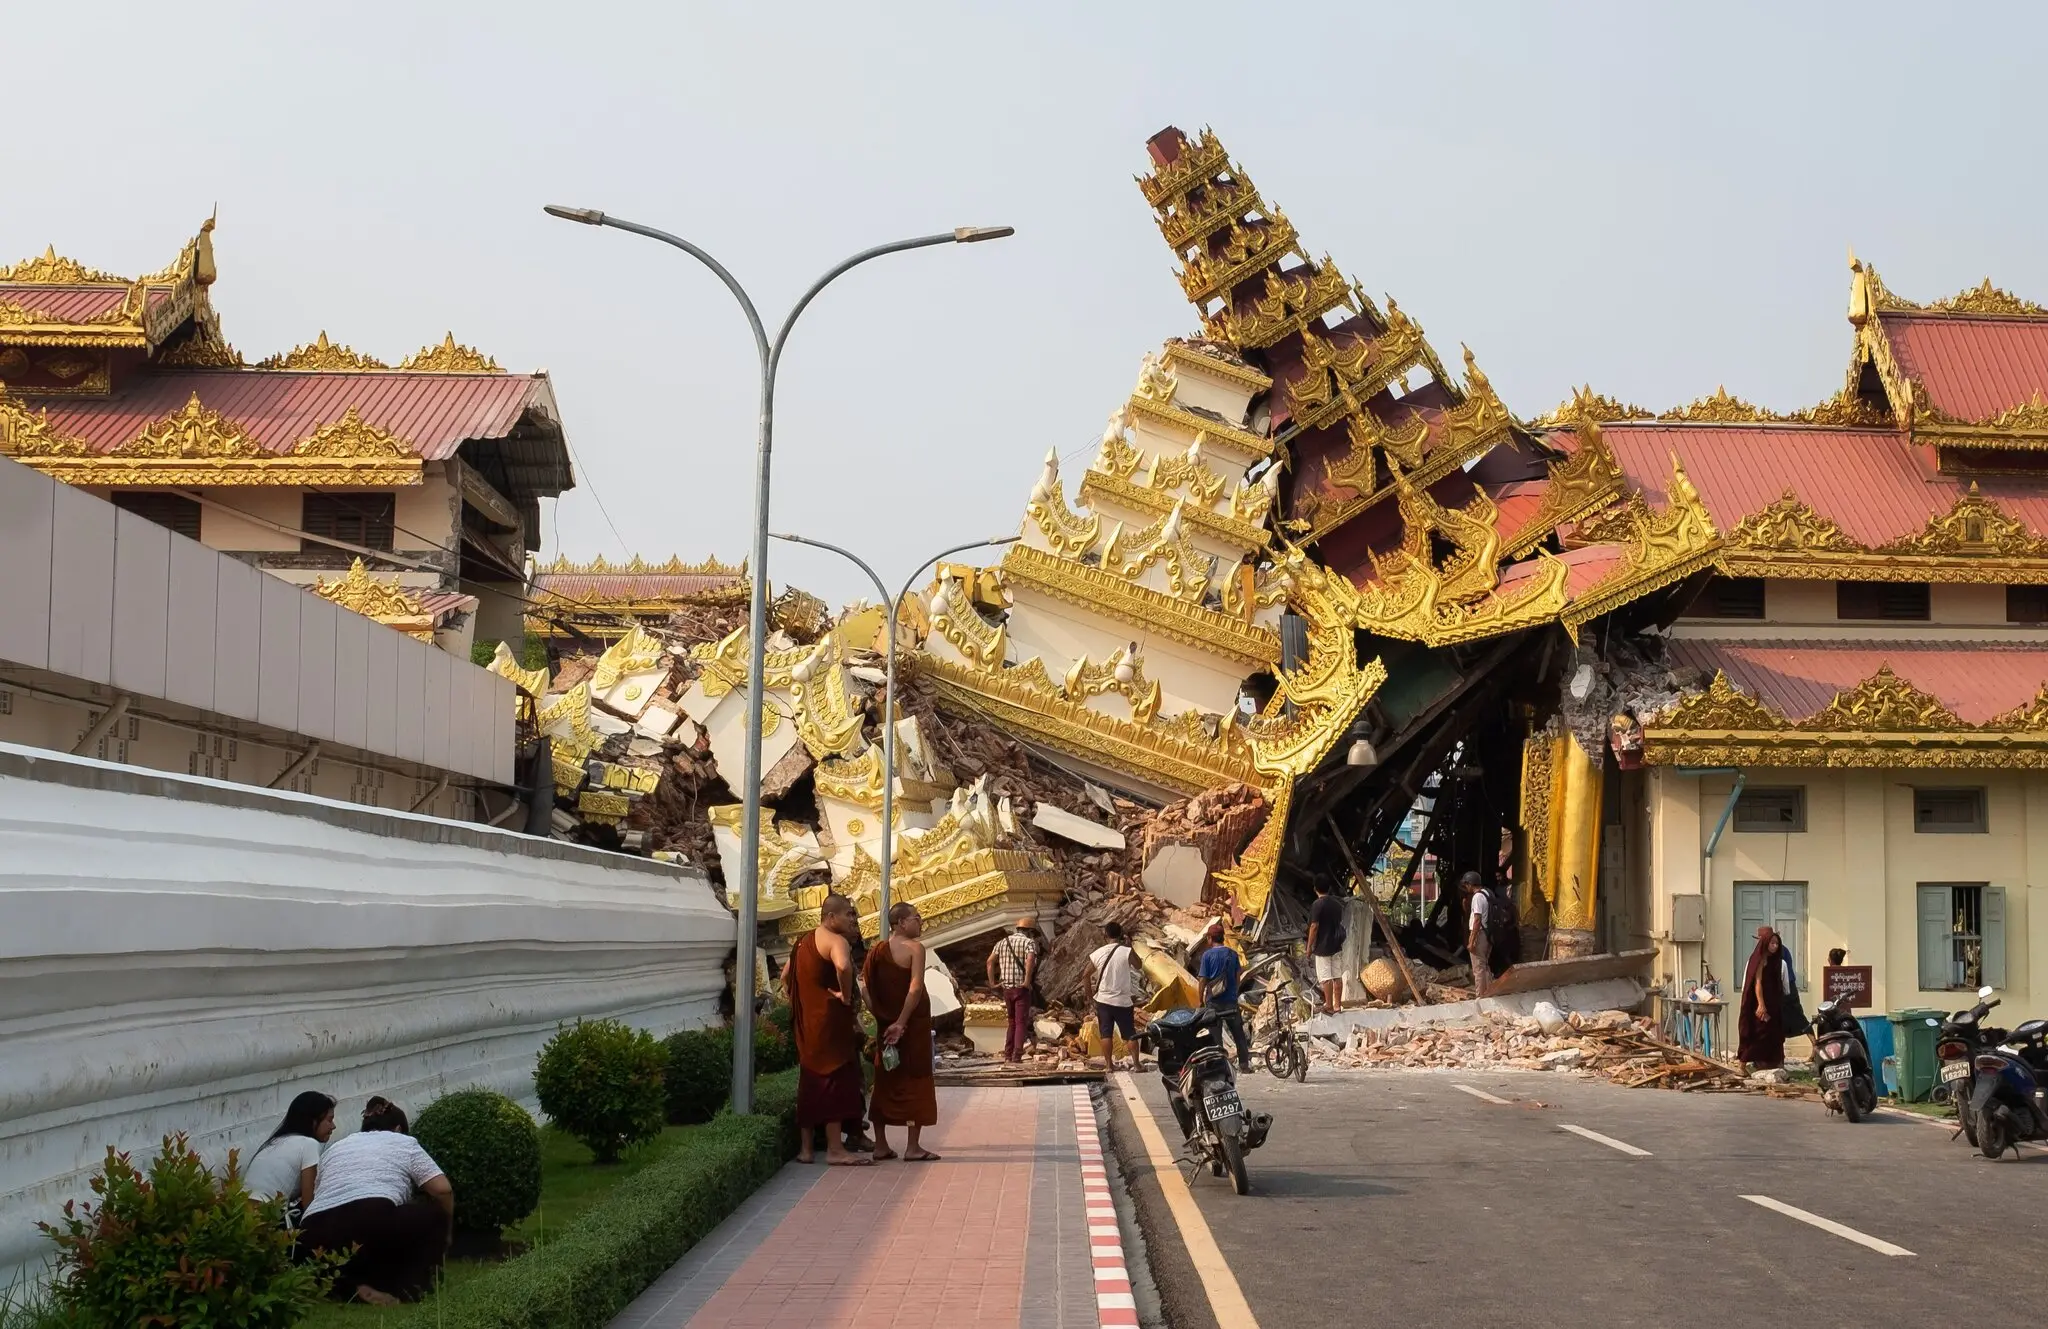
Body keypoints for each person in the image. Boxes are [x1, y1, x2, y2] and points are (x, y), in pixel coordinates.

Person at [298, 1098, 452, 1305]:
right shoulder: (404, 1142)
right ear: (398, 1128)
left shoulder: (336, 1147)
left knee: (360, 1235)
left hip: (313, 1229)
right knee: (433, 1215)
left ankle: (352, 1288)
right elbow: (443, 1190)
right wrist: (448, 1232)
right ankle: (409, 1289)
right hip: (370, 1214)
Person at [787, 892, 871, 1166]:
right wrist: (845, 996)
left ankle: (806, 1150)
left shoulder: (802, 942)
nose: (852, 918)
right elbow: (844, 967)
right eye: (848, 914)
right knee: (834, 1078)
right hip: (829, 1020)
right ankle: (836, 1149)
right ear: (830, 917)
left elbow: (787, 975)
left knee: (809, 1079)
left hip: (807, 1021)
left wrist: (800, 999)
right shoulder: (837, 941)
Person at [863, 902, 939, 1162]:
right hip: (912, 1025)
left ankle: (881, 1145)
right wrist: (902, 1022)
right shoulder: (915, 948)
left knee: (885, 1079)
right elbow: (915, 988)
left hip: (886, 1027)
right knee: (915, 1078)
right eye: (916, 918)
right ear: (901, 923)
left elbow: (865, 991)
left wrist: (884, 1020)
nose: (920, 922)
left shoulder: (876, 951)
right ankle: (913, 1147)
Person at [243, 1091, 336, 1228]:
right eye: (329, 1120)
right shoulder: (309, 1145)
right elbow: (309, 1203)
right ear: (313, 1121)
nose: (333, 1126)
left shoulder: (275, 1141)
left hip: (241, 1213)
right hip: (267, 1218)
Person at [1738, 925, 1797, 1070]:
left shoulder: (1780, 962)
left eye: (1777, 943)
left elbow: (1785, 987)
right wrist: (1761, 1004)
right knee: (1756, 1034)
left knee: (1775, 1035)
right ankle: (1742, 1066)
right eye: (1772, 943)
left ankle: (1775, 1065)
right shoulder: (1759, 961)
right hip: (1759, 1005)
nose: (1775, 946)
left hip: (1775, 1005)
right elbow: (1756, 983)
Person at [1196, 925, 1253, 1072]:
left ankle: (1220, 1066)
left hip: (1213, 1001)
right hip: (1231, 1001)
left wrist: (1200, 999)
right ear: (1222, 937)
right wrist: (1234, 991)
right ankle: (1244, 1065)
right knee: (1238, 1033)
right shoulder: (1232, 954)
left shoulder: (1207, 956)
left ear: (1210, 938)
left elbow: (1203, 979)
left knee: (1215, 1036)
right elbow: (1238, 975)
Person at [1088, 921, 1142, 1071]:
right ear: (1121, 934)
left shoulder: (1098, 953)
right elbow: (1139, 965)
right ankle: (1137, 1065)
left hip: (1103, 1000)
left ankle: (1109, 1065)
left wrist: (1089, 998)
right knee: (1130, 1034)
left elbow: (1085, 975)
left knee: (1106, 1034)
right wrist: (1130, 946)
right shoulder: (1126, 951)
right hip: (1123, 1001)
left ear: (1105, 935)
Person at [986, 915, 1040, 1063]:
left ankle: (1008, 1054)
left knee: (1011, 1022)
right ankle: (1017, 1055)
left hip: (1006, 988)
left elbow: (990, 962)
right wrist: (1027, 980)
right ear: (1029, 931)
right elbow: (1030, 960)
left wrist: (992, 983)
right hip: (1021, 988)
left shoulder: (1002, 942)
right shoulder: (1029, 943)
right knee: (1021, 1022)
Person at [1305, 880, 1347, 1011]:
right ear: (1329, 888)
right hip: (1336, 944)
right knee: (1337, 976)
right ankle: (1337, 1005)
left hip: (1322, 946)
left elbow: (1314, 926)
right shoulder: (1337, 904)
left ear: (1315, 888)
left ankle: (1328, 1005)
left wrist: (1309, 947)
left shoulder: (1317, 904)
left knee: (1325, 978)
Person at [1462, 872, 1493, 998]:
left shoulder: (1477, 897)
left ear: (1470, 884)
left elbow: (1477, 919)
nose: (1466, 888)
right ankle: (1489, 992)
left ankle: (1480, 995)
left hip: (1480, 934)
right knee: (1484, 965)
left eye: (1466, 885)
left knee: (1478, 967)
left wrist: (1471, 940)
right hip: (1488, 934)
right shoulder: (1488, 893)